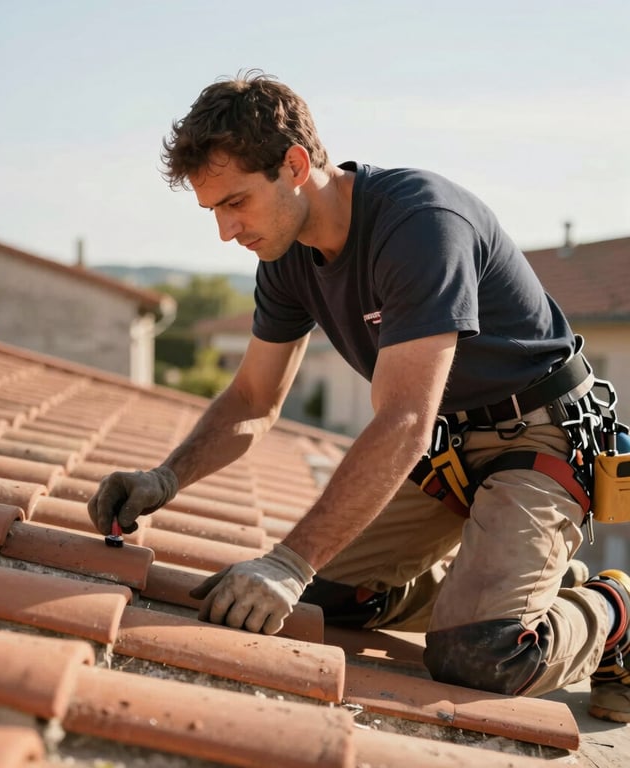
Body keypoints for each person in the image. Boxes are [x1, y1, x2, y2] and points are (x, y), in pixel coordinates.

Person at [88, 70, 630, 722]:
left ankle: (612, 608)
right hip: (447, 450)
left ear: (293, 165)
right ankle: (514, 582)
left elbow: (404, 418)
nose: (226, 233)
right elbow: (255, 398)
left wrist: (287, 560)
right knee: (323, 598)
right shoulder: (285, 259)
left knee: (478, 653)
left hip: (541, 435)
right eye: (214, 212)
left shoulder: (421, 224)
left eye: (235, 203)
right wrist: (164, 478)